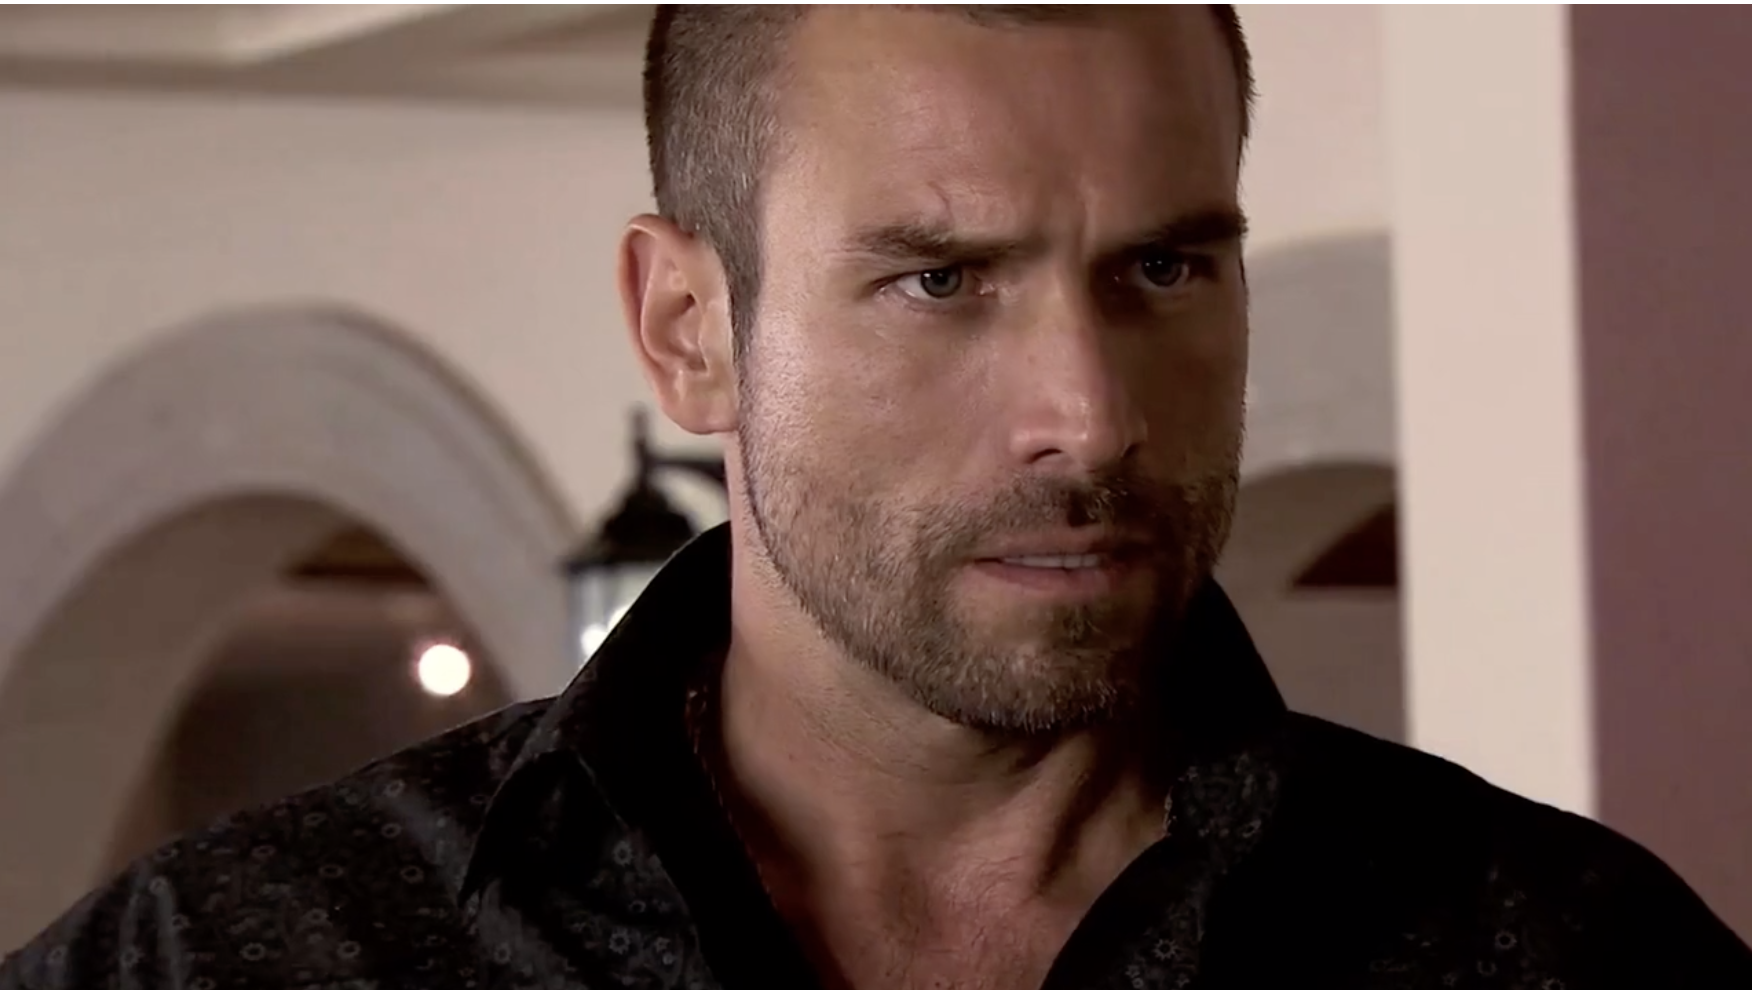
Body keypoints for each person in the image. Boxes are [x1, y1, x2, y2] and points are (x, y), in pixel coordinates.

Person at [5, 6, 1749, 988]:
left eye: (1163, 269)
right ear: (689, 329)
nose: (1088, 416)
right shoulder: (235, 962)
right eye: (943, 280)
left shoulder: (1562, 955)